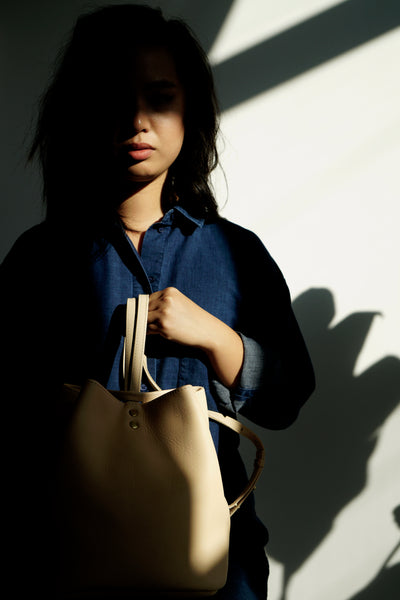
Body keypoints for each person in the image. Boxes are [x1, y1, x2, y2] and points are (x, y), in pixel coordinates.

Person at [1, 4, 315, 599]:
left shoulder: (235, 254)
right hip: (67, 559)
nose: (137, 119)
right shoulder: (40, 259)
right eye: (112, 96)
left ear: (188, 107)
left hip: (217, 569)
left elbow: (289, 395)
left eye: (160, 95)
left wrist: (218, 338)